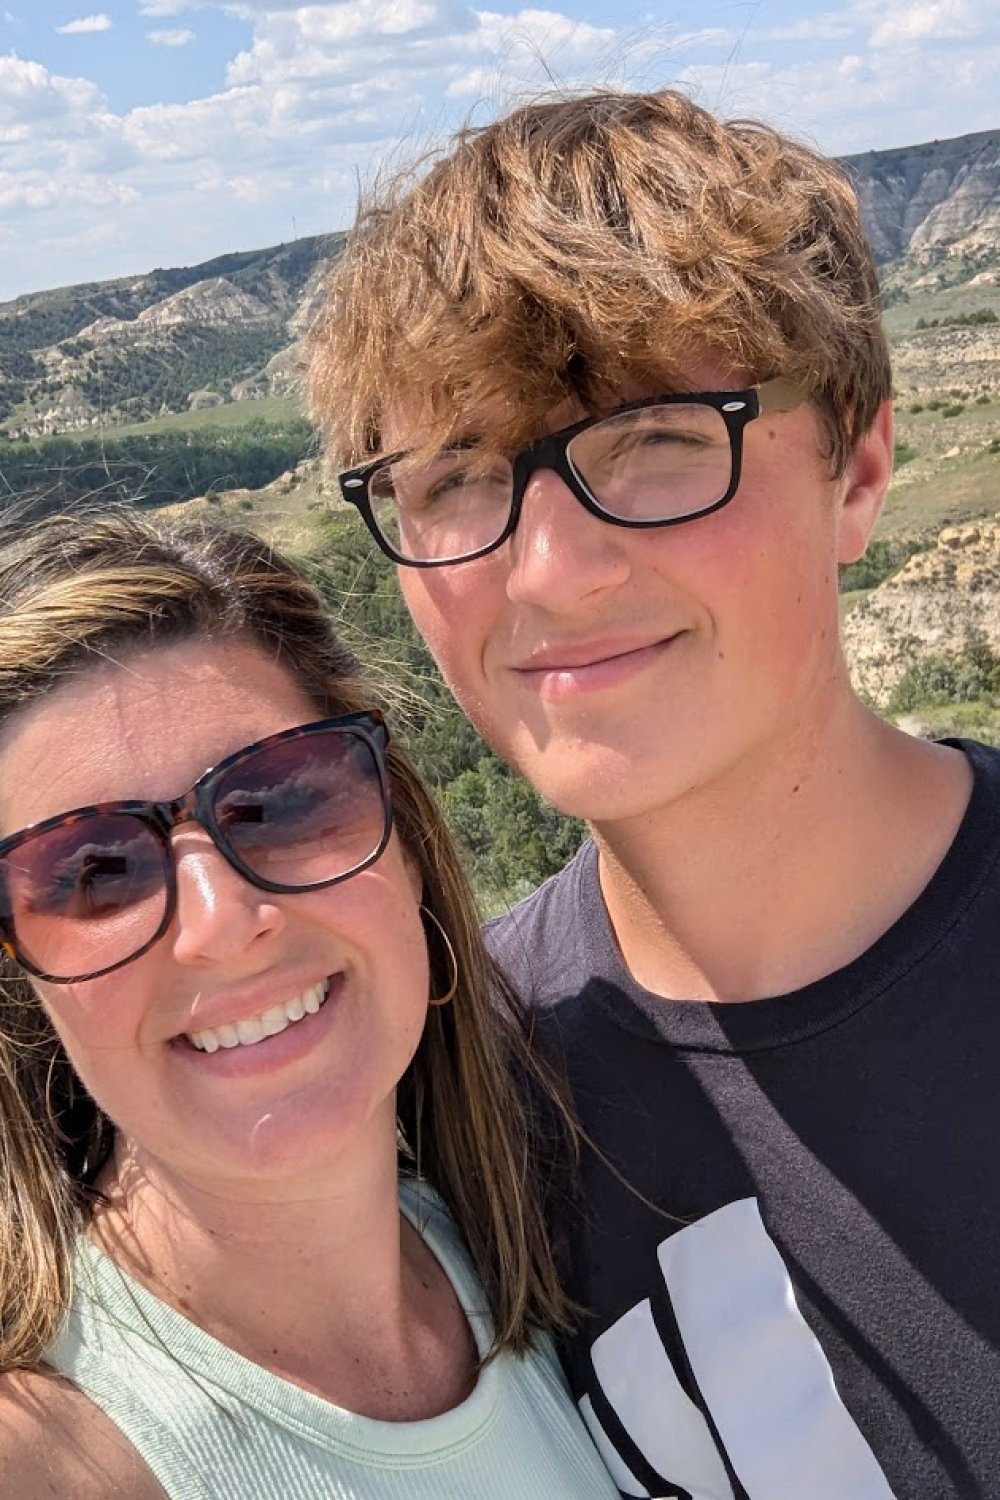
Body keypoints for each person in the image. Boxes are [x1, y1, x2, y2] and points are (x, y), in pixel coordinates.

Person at [307, 87, 1000, 1498]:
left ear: (858, 470)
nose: (551, 573)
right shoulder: (453, 1105)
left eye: (661, 440)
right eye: (455, 478)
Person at [0, 510, 623, 1500]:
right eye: (92, 873)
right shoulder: (51, 1458)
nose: (216, 922)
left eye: (283, 800)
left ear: (405, 844)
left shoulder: (545, 1254)